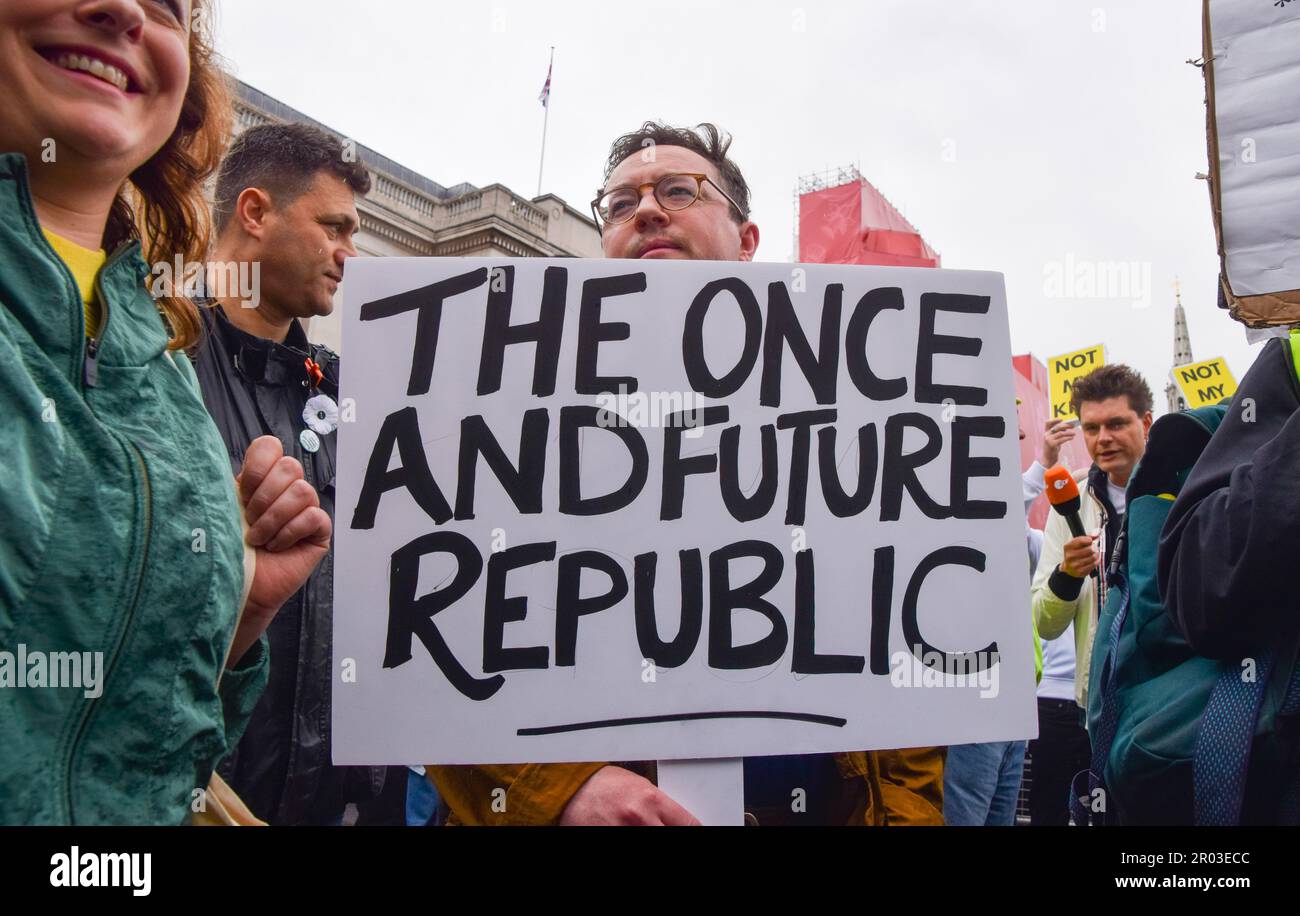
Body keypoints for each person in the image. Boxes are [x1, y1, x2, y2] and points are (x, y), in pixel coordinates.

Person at [426, 122, 946, 826]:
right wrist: (558, 790)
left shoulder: (852, 411)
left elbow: (907, 680)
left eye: (678, 190)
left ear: (748, 240)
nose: (645, 211)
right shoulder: (503, 410)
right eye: (618, 203)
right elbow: (433, 653)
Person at [0, 0, 328, 824]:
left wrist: (241, 609)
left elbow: (139, 739)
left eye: (168, 8)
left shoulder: (157, 344)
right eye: (333, 227)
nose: (122, 11)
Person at [194, 121, 390, 825]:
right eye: (333, 228)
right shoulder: (152, 360)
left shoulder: (352, 394)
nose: (349, 254)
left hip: (330, 799)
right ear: (254, 212)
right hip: (191, 789)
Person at [943, 414, 1068, 825]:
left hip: (1016, 698)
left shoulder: (1019, 529)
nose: (1012, 442)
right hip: (978, 695)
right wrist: (1042, 462)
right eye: (1003, 434)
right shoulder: (962, 502)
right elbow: (995, 515)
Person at [1031, 365, 1153, 715]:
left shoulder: (1181, 490)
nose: (1103, 438)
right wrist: (1067, 574)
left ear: (1145, 423)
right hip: (1099, 703)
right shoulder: (1071, 503)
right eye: (1091, 428)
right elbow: (1044, 624)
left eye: (1116, 424)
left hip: (1171, 698)